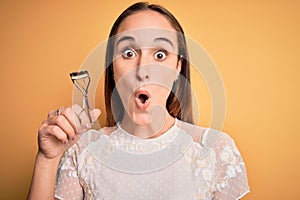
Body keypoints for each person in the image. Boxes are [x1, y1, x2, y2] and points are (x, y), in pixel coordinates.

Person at [28, 2, 250, 200]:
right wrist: (47, 159)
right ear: (112, 67)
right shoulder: (82, 151)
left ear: (177, 68)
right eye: (128, 53)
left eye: (160, 54)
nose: (143, 70)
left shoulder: (215, 150)